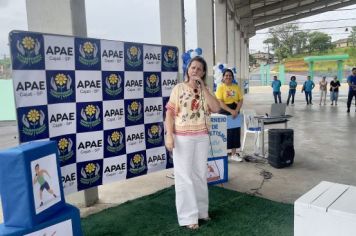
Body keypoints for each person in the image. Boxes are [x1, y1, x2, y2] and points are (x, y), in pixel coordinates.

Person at [165, 56, 220, 230]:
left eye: (198, 68)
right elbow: (170, 113)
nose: (194, 70)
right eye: (192, 67)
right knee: (184, 177)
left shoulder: (206, 89)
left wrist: (203, 88)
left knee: (200, 174)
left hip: (202, 136)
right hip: (182, 137)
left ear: (203, 73)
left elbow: (216, 108)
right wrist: (169, 135)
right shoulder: (178, 88)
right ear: (188, 69)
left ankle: (202, 212)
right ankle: (189, 217)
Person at [215, 69, 244, 162]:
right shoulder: (220, 87)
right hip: (224, 111)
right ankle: (223, 154)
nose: (228, 77)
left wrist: (236, 110)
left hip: (235, 111)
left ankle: (234, 154)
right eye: (226, 75)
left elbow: (240, 100)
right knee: (224, 133)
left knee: (235, 132)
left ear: (232, 77)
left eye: (230, 75)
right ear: (223, 77)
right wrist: (230, 111)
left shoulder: (236, 87)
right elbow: (220, 101)